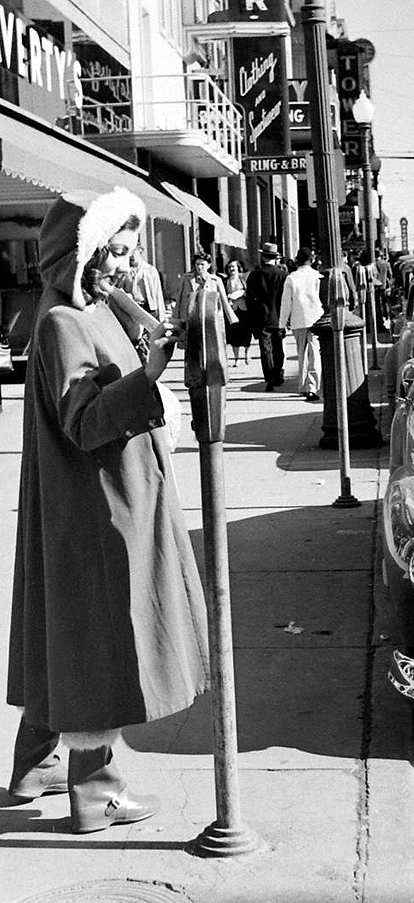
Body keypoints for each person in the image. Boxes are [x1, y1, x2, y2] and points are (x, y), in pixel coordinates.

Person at [5, 187, 209, 834]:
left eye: (130, 244)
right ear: (83, 250)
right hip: (98, 511)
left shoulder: (88, 309)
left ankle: (33, 768)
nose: (125, 258)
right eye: (114, 246)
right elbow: (84, 419)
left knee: (63, 633)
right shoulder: (64, 321)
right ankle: (96, 792)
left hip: (100, 501)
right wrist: (147, 377)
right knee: (99, 641)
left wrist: (145, 343)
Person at [279, 247, 324, 401]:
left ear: (297, 260)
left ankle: (304, 385)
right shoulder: (318, 276)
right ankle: (313, 386)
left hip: (299, 320)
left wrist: (282, 324)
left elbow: (286, 304)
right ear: (311, 260)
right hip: (316, 318)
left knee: (302, 354)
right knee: (315, 354)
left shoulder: (291, 278)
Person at [245, 242, 287, 391]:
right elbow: (286, 298)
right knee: (278, 347)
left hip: (261, 317)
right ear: (275, 258)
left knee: (265, 349)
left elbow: (249, 298)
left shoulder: (254, 275)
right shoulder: (282, 275)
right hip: (278, 316)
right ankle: (278, 375)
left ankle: (269, 379)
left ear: (262, 257)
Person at [175, 250, 234, 326]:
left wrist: (231, 318)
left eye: (202, 264)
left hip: (208, 317)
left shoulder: (215, 281)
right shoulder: (186, 279)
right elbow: (179, 297)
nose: (199, 267)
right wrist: (176, 318)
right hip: (188, 317)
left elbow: (223, 300)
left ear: (208, 265)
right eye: (197, 264)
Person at [119, 244, 167, 321]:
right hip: (131, 308)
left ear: (140, 251)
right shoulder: (125, 271)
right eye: (128, 253)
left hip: (148, 308)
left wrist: (162, 316)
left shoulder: (150, 270)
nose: (131, 256)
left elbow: (157, 294)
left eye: (133, 252)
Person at [222, 258, 252, 366]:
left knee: (246, 333)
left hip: (244, 309)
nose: (231, 269)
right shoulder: (225, 281)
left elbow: (249, 291)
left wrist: (242, 293)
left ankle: (246, 353)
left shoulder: (244, 278)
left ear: (238, 268)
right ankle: (236, 358)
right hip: (232, 310)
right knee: (234, 334)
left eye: (233, 267)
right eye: (229, 267)